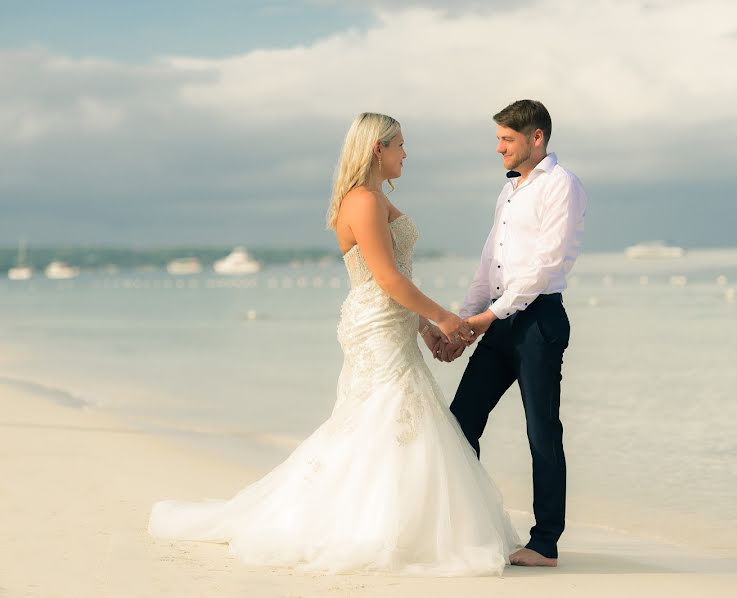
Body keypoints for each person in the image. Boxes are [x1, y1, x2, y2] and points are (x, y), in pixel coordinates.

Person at [148, 112, 520, 576]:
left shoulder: (374, 198)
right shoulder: (362, 201)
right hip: (376, 322)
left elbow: (397, 276)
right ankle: (370, 526)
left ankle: (396, 521)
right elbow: (385, 278)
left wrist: (423, 328)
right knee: (384, 416)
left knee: (389, 418)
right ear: (376, 149)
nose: (407, 153)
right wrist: (442, 317)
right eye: (400, 144)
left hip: (389, 320)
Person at [439, 99, 587, 567]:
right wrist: (464, 320)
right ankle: (470, 525)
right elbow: (490, 262)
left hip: (538, 321)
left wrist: (486, 318)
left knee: (541, 431)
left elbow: (544, 266)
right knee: (461, 422)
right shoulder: (509, 192)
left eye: (507, 139)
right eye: (499, 138)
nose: (499, 147)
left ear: (535, 138)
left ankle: (545, 543)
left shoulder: (562, 186)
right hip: (500, 321)